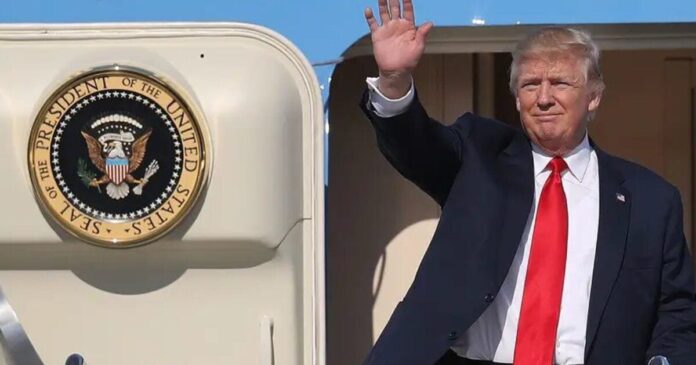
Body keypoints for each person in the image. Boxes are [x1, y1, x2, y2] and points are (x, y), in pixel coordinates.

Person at [359, 0, 696, 364]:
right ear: (517, 99)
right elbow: (417, 146)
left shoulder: (651, 200)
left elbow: (676, 310)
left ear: (594, 96)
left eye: (560, 83)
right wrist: (394, 80)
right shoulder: (479, 156)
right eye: (530, 84)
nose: (544, 98)